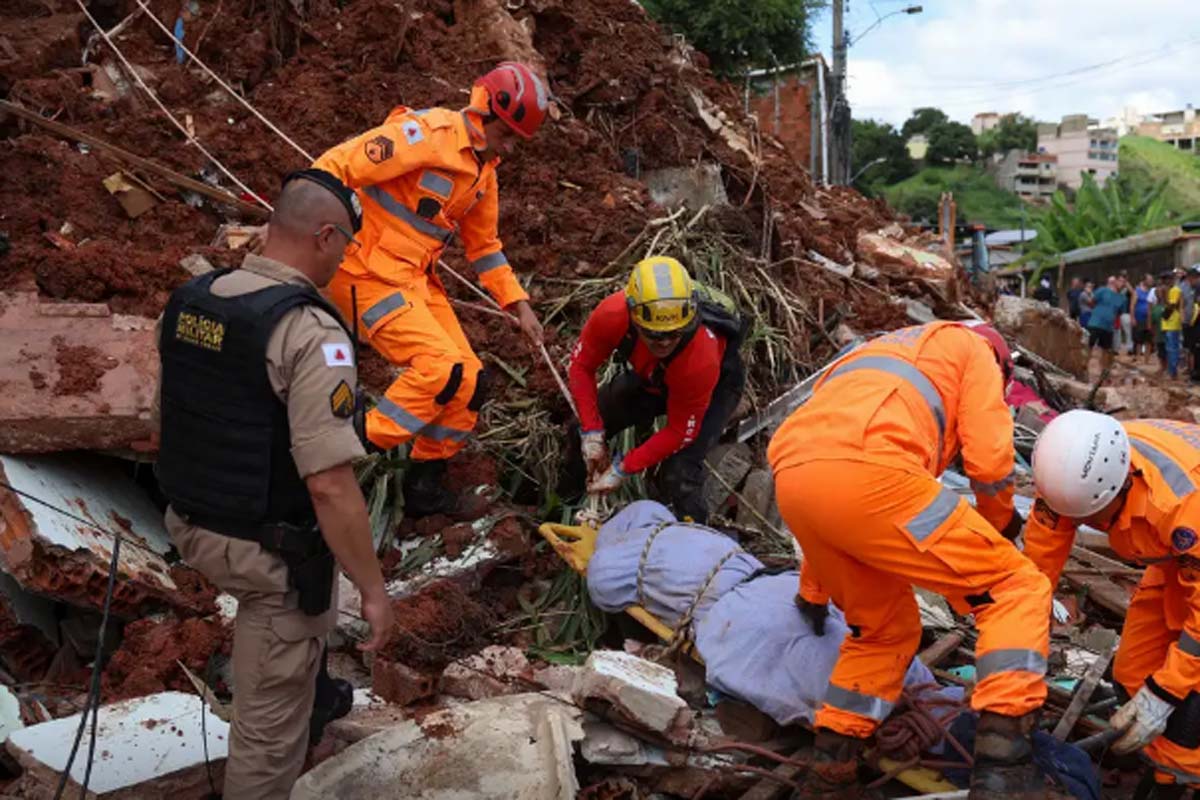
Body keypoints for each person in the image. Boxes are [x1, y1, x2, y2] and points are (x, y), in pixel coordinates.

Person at [155, 170, 394, 799]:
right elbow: (330, 485)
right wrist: (371, 589)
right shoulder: (309, 333)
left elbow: (174, 415)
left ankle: (311, 694)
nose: (344, 259)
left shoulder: (194, 300)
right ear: (323, 235)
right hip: (265, 554)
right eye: (344, 245)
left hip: (191, 519)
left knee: (292, 679)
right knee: (267, 737)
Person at [768, 321, 1054, 798]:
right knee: (1015, 589)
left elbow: (828, 482)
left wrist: (813, 595)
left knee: (883, 630)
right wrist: (1001, 527)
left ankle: (830, 768)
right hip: (877, 476)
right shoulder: (975, 351)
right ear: (1003, 364)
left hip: (793, 476)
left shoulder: (874, 352)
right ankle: (1003, 769)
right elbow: (989, 462)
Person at [312, 62, 549, 517]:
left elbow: (485, 247)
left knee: (469, 381)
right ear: (487, 114)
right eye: (509, 135)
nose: (512, 147)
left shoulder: (484, 173)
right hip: (365, 271)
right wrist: (306, 227)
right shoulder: (426, 134)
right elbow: (337, 165)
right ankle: (339, 447)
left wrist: (518, 304)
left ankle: (424, 485)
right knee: (440, 371)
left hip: (413, 279)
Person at [1027, 411, 1200, 798]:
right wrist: (1022, 661)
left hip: (1189, 539)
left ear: (1122, 487)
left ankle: (1182, 782)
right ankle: (1164, 770)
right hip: (1176, 557)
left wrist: (1165, 692)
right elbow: (1036, 575)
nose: (1080, 523)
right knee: (1133, 672)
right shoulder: (1065, 477)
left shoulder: (1182, 505)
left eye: (1091, 517)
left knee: (1187, 704)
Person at [563, 256, 746, 523]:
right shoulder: (612, 315)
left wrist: (622, 468)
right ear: (634, 317)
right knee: (576, 431)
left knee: (679, 473)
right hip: (653, 378)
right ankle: (565, 505)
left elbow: (681, 430)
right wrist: (592, 433)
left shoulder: (699, 358)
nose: (665, 343)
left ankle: (692, 540)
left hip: (711, 387)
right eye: (654, 335)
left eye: (675, 334)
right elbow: (581, 366)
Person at [1087, 277, 1126, 371]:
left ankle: (1103, 371)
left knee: (1106, 349)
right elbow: (1091, 302)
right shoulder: (1102, 290)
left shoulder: (1122, 298)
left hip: (1108, 327)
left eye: (1124, 282)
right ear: (1115, 282)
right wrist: (1098, 312)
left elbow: (1120, 312)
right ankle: (1084, 367)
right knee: (1089, 346)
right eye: (1120, 281)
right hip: (1095, 323)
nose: (1122, 283)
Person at [1163, 273, 1185, 379]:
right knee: (1169, 348)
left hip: (1173, 322)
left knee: (1172, 348)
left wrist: (1164, 315)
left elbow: (1172, 305)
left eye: (1168, 279)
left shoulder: (1175, 290)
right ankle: (1171, 371)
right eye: (1165, 280)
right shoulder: (1171, 290)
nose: (1166, 282)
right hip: (1169, 323)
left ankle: (1173, 372)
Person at [1136, 273, 1154, 361]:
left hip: (1149, 318)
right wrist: (1132, 317)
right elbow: (1132, 305)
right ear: (1145, 280)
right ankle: (1138, 357)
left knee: (1148, 339)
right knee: (1139, 339)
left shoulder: (1152, 291)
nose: (1151, 281)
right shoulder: (1138, 291)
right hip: (1140, 318)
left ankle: (1147, 359)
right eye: (1149, 279)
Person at [1119, 273, 1136, 356]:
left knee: (1130, 332)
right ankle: (1130, 347)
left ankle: (1131, 348)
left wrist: (1126, 283)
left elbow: (1133, 293)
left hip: (1128, 313)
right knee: (1127, 332)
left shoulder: (1128, 289)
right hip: (1123, 313)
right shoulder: (1121, 290)